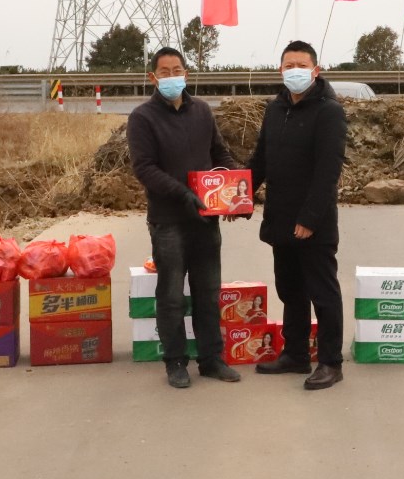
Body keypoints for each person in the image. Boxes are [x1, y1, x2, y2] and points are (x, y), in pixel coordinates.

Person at [127, 47, 246, 389]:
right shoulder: (143, 118)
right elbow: (145, 168)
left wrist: (236, 191)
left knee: (208, 292)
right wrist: (183, 194)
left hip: (206, 219)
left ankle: (211, 359)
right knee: (171, 295)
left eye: (177, 70)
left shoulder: (202, 112)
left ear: (186, 74)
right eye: (164, 72)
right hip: (169, 221)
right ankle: (175, 360)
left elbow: (219, 153)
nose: (171, 77)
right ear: (153, 78)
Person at [249, 40, 348, 390]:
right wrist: (240, 196)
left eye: (302, 66)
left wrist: (309, 218)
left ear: (315, 71)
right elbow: (261, 159)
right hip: (280, 218)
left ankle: (331, 362)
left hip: (313, 223)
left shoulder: (329, 112)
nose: (295, 71)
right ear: (280, 70)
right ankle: (295, 353)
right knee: (290, 290)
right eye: (289, 66)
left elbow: (328, 171)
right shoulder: (275, 109)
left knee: (322, 292)